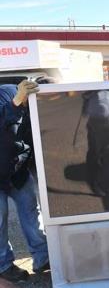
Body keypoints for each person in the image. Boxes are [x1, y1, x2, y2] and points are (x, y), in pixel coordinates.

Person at [0, 80, 49, 283]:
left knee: (31, 212)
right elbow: (4, 118)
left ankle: (42, 258)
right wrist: (16, 102)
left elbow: (39, 143)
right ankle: (4, 266)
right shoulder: (8, 94)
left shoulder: (42, 111)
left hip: (17, 172)